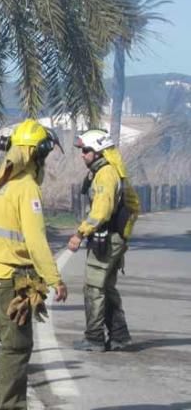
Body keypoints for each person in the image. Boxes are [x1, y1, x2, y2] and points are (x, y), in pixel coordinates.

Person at [0, 119, 68, 410]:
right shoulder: (25, 187)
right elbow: (36, 239)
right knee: (17, 346)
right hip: (12, 276)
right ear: (37, 154)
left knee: (9, 344)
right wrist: (54, 278)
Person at [66, 129, 140, 351]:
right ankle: (119, 336)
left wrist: (80, 233)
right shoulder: (107, 171)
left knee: (94, 287)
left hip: (106, 238)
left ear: (98, 152)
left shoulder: (106, 174)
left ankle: (94, 338)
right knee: (106, 287)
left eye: (86, 150)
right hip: (111, 238)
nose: (83, 155)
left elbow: (101, 212)